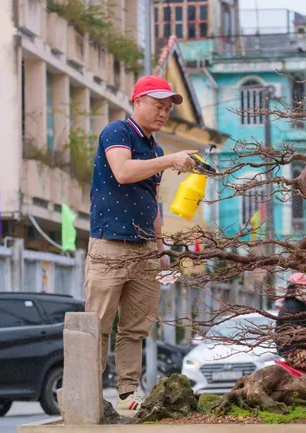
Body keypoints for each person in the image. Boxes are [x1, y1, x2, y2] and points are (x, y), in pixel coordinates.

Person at [85, 76, 197, 411]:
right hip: (109, 244)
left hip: (146, 248)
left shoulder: (155, 148)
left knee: (135, 328)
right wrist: (170, 160)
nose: (163, 112)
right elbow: (122, 171)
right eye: (157, 105)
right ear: (137, 101)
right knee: (97, 325)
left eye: (167, 108)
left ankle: (127, 393)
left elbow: (153, 201)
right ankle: (88, 392)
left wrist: (160, 246)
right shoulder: (118, 131)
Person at [275, 273, 306, 373]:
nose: (305, 289)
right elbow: (299, 330)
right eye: (301, 286)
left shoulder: (303, 305)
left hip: (303, 348)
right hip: (292, 351)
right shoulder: (290, 307)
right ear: (292, 288)